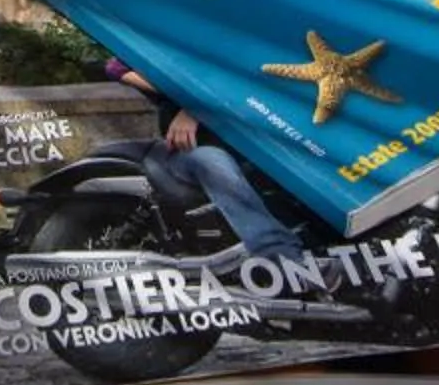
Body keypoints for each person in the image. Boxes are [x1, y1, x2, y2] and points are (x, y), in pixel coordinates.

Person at [104, 59, 307, 265]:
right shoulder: (173, 56)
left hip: (259, 145)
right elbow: (116, 67)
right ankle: (282, 258)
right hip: (195, 152)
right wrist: (190, 103)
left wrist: (200, 104)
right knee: (213, 162)